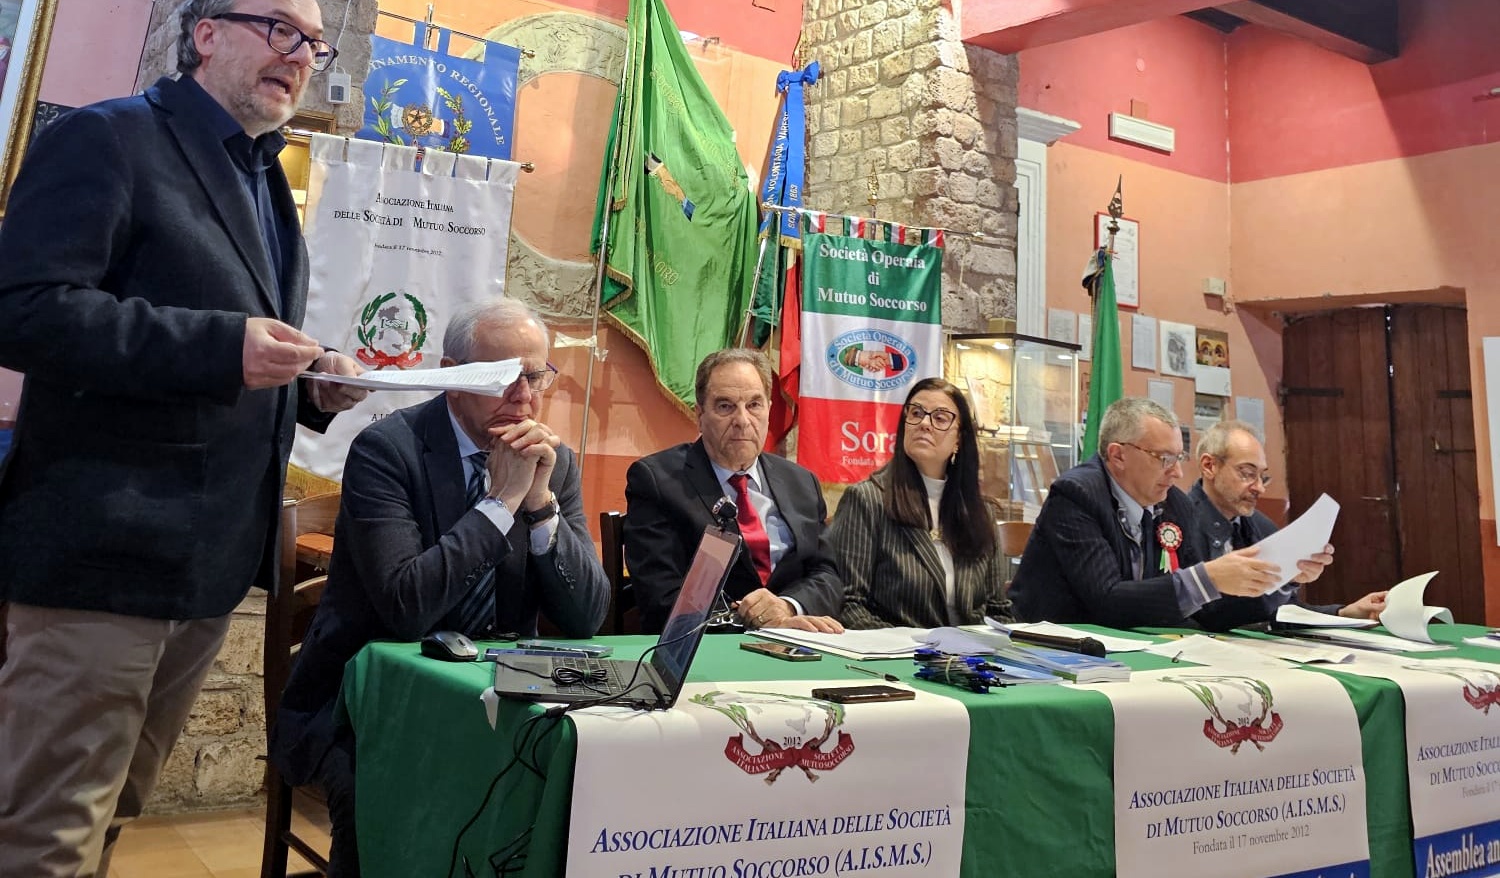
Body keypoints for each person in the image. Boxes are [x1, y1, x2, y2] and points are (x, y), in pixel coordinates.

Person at [0, 0, 367, 877]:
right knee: (45, 833)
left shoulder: (265, 178)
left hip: (205, 565)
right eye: (280, 30)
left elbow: (231, 339)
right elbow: (25, 310)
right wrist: (222, 347)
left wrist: (309, 379)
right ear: (206, 33)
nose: (301, 56)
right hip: (103, 554)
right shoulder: (109, 138)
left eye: (314, 45)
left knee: (113, 810)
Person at [270, 296, 609, 876]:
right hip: (366, 702)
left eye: (535, 377)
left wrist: (539, 504)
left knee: (577, 777)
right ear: (453, 375)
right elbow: (407, 607)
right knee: (380, 796)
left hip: (500, 699)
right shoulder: (387, 450)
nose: (523, 397)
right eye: (501, 378)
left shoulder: (554, 461)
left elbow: (588, 616)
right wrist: (501, 502)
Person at [1008, 397, 1335, 630]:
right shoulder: (1076, 495)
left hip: (1133, 649)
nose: (1177, 473)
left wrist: (1278, 579)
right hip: (1051, 651)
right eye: (1164, 459)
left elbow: (1207, 613)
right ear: (1118, 455)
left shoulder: (1174, 505)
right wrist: (1208, 578)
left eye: (1179, 459)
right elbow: (1105, 601)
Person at [624, 348, 843, 634]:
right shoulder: (657, 481)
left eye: (754, 405)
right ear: (700, 415)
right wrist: (759, 621)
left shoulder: (801, 482)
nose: (742, 420)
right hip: (711, 646)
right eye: (725, 406)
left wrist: (788, 607)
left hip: (798, 641)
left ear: (768, 411)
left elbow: (827, 574)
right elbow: (662, 597)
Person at [828, 378, 1011, 628]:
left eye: (940, 418)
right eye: (916, 413)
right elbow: (848, 604)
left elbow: (998, 611)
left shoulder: (981, 512)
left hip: (969, 650)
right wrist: (910, 647)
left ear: (959, 439)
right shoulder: (867, 500)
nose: (924, 423)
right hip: (896, 648)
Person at [1188, 420, 1386, 620]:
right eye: (1247, 474)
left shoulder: (1262, 526)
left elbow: (1284, 612)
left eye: (1263, 477)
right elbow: (1202, 615)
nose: (1259, 488)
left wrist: (1343, 613)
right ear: (1209, 466)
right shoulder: (1179, 523)